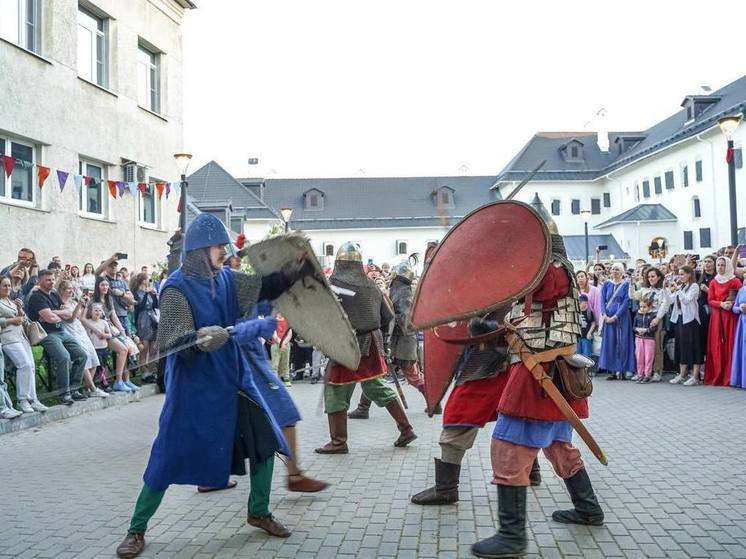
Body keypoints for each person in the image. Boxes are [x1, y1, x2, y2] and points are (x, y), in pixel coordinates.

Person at [115, 213, 308, 558]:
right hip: (193, 390)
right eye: (219, 247)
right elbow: (172, 341)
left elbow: (265, 287)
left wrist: (295, 266)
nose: (224, 252)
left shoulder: (228, 280)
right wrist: (200, 338)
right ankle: (136, 529)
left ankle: (258, 511)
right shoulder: (176, 286)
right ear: (200, 249)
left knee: (264, 442)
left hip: (234, 381)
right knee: (165, 459)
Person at [472, 204, 603, 559]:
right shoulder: (549, 269)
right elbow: (524, 312)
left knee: (508, 446)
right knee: (559, 446)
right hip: (554, 374)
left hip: (541, 376)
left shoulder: (549, 270)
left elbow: (514, 291)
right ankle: (588, 509)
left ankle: (511, 536)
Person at [315, 242, 417, 454]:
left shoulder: (332, 284)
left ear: (339, 262)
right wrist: (383, 341)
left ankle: (338, 442)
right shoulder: (372, 286)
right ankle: (406, 428)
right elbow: (387, 317)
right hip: (370, 344)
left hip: (346, 346)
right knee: (374, 387)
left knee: (335, 388)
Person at [26, 269, 87, 405]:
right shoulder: (37, 297)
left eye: (53, 279)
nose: (52, 282)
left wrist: (54, 313)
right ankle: (64, 393)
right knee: (64, 357)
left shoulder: (54, 294)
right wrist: (58, 314)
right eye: (48, 279)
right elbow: (50, 318)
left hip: (62, 331)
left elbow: (68, 314)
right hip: (47, 334)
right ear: (39, 281)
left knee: (82, 355)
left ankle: (74, 389)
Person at [0, 277, 48, 413]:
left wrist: (20, 308)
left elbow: (23, 319)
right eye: (4, 286)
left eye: (9, 285)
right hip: (8, 337)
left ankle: (33, 400)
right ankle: (22, 400)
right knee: (24, 365)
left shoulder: (11, 301)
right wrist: (12, 320)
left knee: (31, 367)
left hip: (22, 336)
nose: (8, 288)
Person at [57, 280, 108, 398]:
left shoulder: (73, 302)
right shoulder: (61, 304)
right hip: (71, 332)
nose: (71, 291)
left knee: (94, 360)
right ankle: (93, 388)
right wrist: (79, 305)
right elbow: (70, 319)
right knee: (84, 359)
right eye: (68, 289)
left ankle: (87, 387)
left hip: (81, 331)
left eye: (72, 288)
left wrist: (84, 304)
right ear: (62, 290)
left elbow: (80, 317)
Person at [388, 261, 428, 405]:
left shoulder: (404, 294)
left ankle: (433, 402)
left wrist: (390, 316)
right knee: (377, 374)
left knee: (413, 376)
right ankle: (363, 407)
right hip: (397, 340)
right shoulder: (399, 291)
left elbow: (404, 319)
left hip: (403, 340)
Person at [93, 277, 138, 392]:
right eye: (102, 285)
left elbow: (113, 316)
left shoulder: (109, 299)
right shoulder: (93, 301)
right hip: (101, 332)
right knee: (122, 350)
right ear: (97, 286)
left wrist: (122, 331)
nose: (105, 288)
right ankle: (118, 381)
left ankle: (126, 380)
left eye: (107, 285)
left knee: (127, 348)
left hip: (112, 330)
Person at [705, 257, 742, 386]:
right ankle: (718, 375)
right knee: (717, 346)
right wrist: (721, 304)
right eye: (718, 265)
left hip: (730, 317)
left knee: (730, 345)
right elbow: (710, 300)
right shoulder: (714, 282)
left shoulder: (735, 281)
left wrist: (731, 304)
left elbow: (740, 297)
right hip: (717, 317)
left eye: (722, 265)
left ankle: (730, 376)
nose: (720, 267)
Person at [629, 267, 670, 382]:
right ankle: (642, 372)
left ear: (659, 277)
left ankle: (657, 371)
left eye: (653, 276)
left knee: (656, 346)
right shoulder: (644, 290)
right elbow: (633, 296)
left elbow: (665, 304)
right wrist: (631, 284)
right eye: (649, 276)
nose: (651, 278)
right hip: (643, 319)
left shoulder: (662, 290)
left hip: (655, 318)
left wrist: (657, 318)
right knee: (642, 348)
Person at [599, 263, 636, 380]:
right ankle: (612, 370)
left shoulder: (625, 285)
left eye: (618, 269)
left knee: (623, 342)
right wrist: (604, 315)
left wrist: (616, 316)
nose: (615, 271)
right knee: (610, 343)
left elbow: (626, 302)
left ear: (622, 272)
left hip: (622, 319)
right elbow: (602, 301)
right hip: (608, 318)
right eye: (613, 269)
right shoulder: (606, 284)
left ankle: (623, 369)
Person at [668, 266, 704, 385]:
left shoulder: (694, 286)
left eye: (682, 274)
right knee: (681, 347)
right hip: (681, 319)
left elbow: (687, 300)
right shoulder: (682, 287)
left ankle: (695, 376)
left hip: (691, 320)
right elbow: (670, 300)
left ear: (689, 274)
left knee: (694, 347)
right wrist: (666, 289)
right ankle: (682, 374)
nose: (680, 276)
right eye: (679, 274)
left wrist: (678, 290)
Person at [96, 256, 134, 335]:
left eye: (115, 265)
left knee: (128, 339)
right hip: (111, 316)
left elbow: (132, 299)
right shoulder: (103, 280)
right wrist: (110, 259)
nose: (113, 267)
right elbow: (96, 273)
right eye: (111, 265)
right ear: (106, 267)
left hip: (124, 315)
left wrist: (122, 294)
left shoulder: (122, 282)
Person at [130, 273, 159, 370]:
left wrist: (154, 296)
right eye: (147, 279)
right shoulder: (135, 293)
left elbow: (155, 306)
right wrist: (147, 294)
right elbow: (140, 306)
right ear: (142, 280)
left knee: (153, 348)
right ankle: (144, 371)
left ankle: (151, 370)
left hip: (152, 320)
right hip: (142, 320)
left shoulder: (149, 292)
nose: (149, 281)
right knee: (145, 347)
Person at [633, 297, 658, 383]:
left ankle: (647, 375)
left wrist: (646, 330)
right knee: (639, 357)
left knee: (648, 357)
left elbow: (654, 328)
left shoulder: (653, 316)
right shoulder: (637, 315)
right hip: (639, 339)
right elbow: (633, 327)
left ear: (650, 307)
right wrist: (637, 330)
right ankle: (640, 374)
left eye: (644, 307)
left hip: (649, 339)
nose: (642, 309)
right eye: (641, 307)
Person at [697, 255, 717, 360]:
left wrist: (708, 290)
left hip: (711, 311)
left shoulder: (716, 278)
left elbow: (719, 296)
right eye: (705, 261)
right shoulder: (701, 277)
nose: (707, 264)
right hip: (700, 310)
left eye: (709, 261)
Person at [270, 313, 292, 387]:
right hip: (275, 344)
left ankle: (286, 379)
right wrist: (281, 343)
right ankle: (274, 381)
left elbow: (289, 334)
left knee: (285, 362)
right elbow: (274, 334)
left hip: (286, 344)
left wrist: (284, 343)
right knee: (275, 364)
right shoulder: (273, 322)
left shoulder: (288, 321)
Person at [731, 283, 746, 389]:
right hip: (742, 324)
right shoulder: (741, 290)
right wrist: (740, 308)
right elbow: (734, 308)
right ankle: (741, 380)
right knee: (742, 351)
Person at [578, 294, 596, 361]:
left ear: (586, 302)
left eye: (581, 302)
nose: (580, 303)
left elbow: (593, 323)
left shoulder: (589, 312)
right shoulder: (577, 311)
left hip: (586, 337)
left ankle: (586, 370)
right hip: (578, 337)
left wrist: (590, 332)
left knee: (586, 355)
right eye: (579, 301)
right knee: (577, 354)